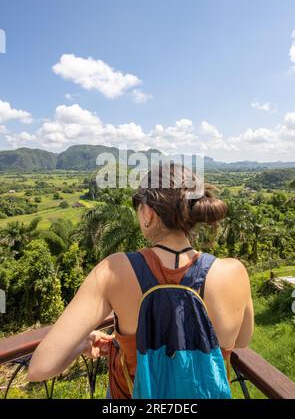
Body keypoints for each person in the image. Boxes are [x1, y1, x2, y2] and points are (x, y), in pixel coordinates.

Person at [27, 164, 254, 399]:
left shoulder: (114, 270)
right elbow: (241, 340)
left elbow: (40, 368)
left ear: (148, 213)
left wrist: (85, 344)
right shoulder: (234, 272)